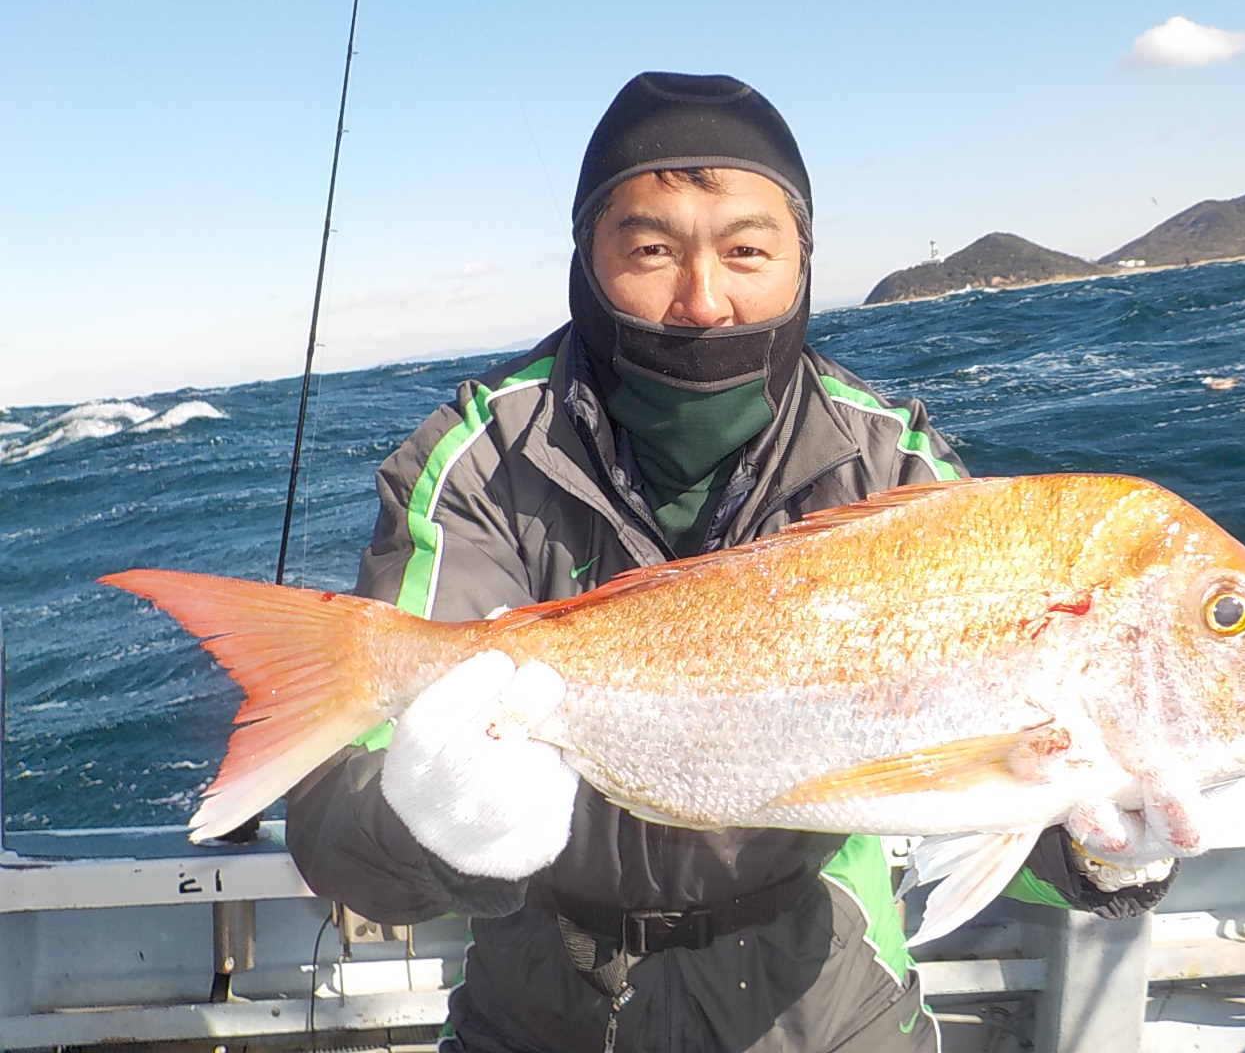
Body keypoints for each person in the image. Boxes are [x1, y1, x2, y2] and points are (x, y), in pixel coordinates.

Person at [286, 72, 1173, 1053]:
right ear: (587, 259)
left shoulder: (892, 463)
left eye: (747, 250)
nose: (704, 302)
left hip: (828, 997)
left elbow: (995, 788)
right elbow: (338, 836)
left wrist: (1104, 849)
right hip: (539, 1002)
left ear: (801, 261)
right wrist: (438, 827)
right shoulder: (481, 456)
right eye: (651, 250)